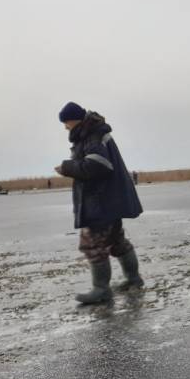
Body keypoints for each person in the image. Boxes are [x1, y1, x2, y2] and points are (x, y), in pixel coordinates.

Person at [54, 102, 144, 304]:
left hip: (101, 201)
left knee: (92, 245)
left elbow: (98, 165)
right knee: (117, 241)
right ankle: (133, 279)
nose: (65, 127)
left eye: (65, 122)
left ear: (73, 120)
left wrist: (67, 167)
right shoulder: (93, 133)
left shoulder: (91, 136)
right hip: (110, 200)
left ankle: (101, 289)